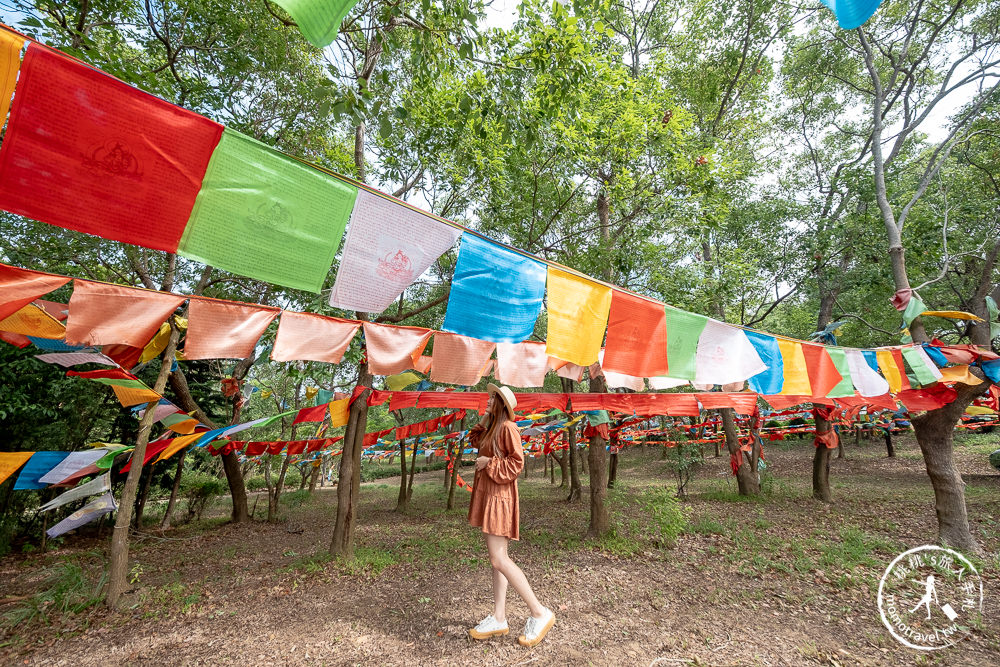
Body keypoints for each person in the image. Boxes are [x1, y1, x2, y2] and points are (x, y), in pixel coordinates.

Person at [467, 383, 555, 648]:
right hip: (490, 494)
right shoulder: (494, 426)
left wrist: (488, 463)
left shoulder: (507, 428)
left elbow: (517, 463)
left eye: (493, 398)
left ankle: (540, 612)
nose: (488, 400)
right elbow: (475, 441)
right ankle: (499, 617)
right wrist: (486, 417)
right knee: (498, 559)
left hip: (500, 497)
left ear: (502, 404)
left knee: (498, 559)